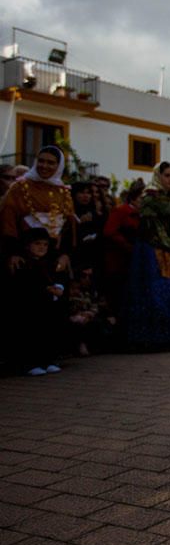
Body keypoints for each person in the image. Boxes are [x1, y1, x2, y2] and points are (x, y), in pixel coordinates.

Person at [126, 162, 170, 349]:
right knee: (160, 292)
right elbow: (153, 228)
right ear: (158, 176)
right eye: (167, 175)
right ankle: (157, 338)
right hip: (157, 250)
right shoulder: (150, 198)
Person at [0, 146, 74, 275]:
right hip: (23, 258)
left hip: (54, 260)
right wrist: (13, 253)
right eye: (41, 161)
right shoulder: (19, 188)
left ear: (59, 165)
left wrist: (65, 254)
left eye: (51, 163)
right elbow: (8, 222)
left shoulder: (64, 192)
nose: (44, 166)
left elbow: (68, 226)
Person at [9, 228, 67, 375]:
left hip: (46, 304)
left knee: (47, 330)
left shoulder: (48, 263)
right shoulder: (22, 263)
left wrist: (58, 288)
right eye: (37, 244)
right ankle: (29, 363)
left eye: (45, 244)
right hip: (29, 306)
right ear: (28, 245)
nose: (41, 248)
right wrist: (45, 290)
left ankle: (47, 360)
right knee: (31, 332)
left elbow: (57, 278)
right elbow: (22, 286)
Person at [103, 181, 144, 328]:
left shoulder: (143, 214)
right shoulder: (120, 211)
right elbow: (109, 231)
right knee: (118, 295)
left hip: (133, 260)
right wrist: (127, 245)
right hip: (119, 259)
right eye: (141, 198)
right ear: (133, 198)